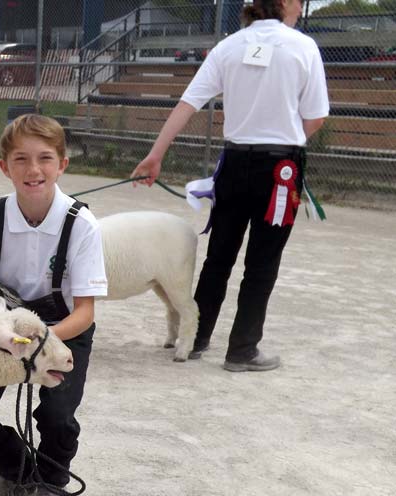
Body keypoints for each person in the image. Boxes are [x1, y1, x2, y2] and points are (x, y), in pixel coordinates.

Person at [131, 0, 329, 372]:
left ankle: (196, 339)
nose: (301, 9)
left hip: (234, 163)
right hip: (279, 169)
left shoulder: (229, 45)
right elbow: (316, 117)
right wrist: (287, 140)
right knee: (262, 262)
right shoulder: (303, 47)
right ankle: (242, 349)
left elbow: (188, 103)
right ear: (285, 3)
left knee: (218, 256)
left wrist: (155, 155)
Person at [0, 114, 108, 496]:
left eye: (45, 158)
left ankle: (53, 479)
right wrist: (3, 339)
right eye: (21, 159)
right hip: (3, 327)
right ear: (5, 166)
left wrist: (39, 344)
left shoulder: (81, 224)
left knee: (57, 414)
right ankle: (18, 471)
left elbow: (85, 312)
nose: (34, 169)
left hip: (63, 329)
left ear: (62, 164)